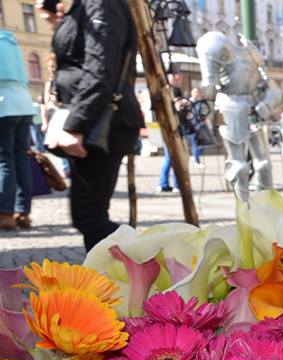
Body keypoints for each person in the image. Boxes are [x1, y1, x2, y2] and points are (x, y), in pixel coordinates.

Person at [40, 0, 144, 251]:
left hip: (104, 124)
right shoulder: (86, 6)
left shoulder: (101, 4)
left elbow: (100, 68)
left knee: (89, 215)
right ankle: (111, 278)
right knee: (88, 214)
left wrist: (76, 125)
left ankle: (149, 259)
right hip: (96, 121)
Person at [0, 30, 35, 231]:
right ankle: (23, 212)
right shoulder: (10, 40)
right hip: (23, 102)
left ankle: (5, 213)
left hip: (4, 103)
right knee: (20, 158)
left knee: (5, 159)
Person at [158, 69, 191, 192]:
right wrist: (184, 103)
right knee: (176, 155)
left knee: (170, 156)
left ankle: (164, 183)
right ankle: (176, 184)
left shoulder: (163, 90)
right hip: (175, 126)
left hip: (168, 125)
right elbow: (178, 106)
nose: (178, 77)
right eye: (174, 75)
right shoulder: (171, 90)